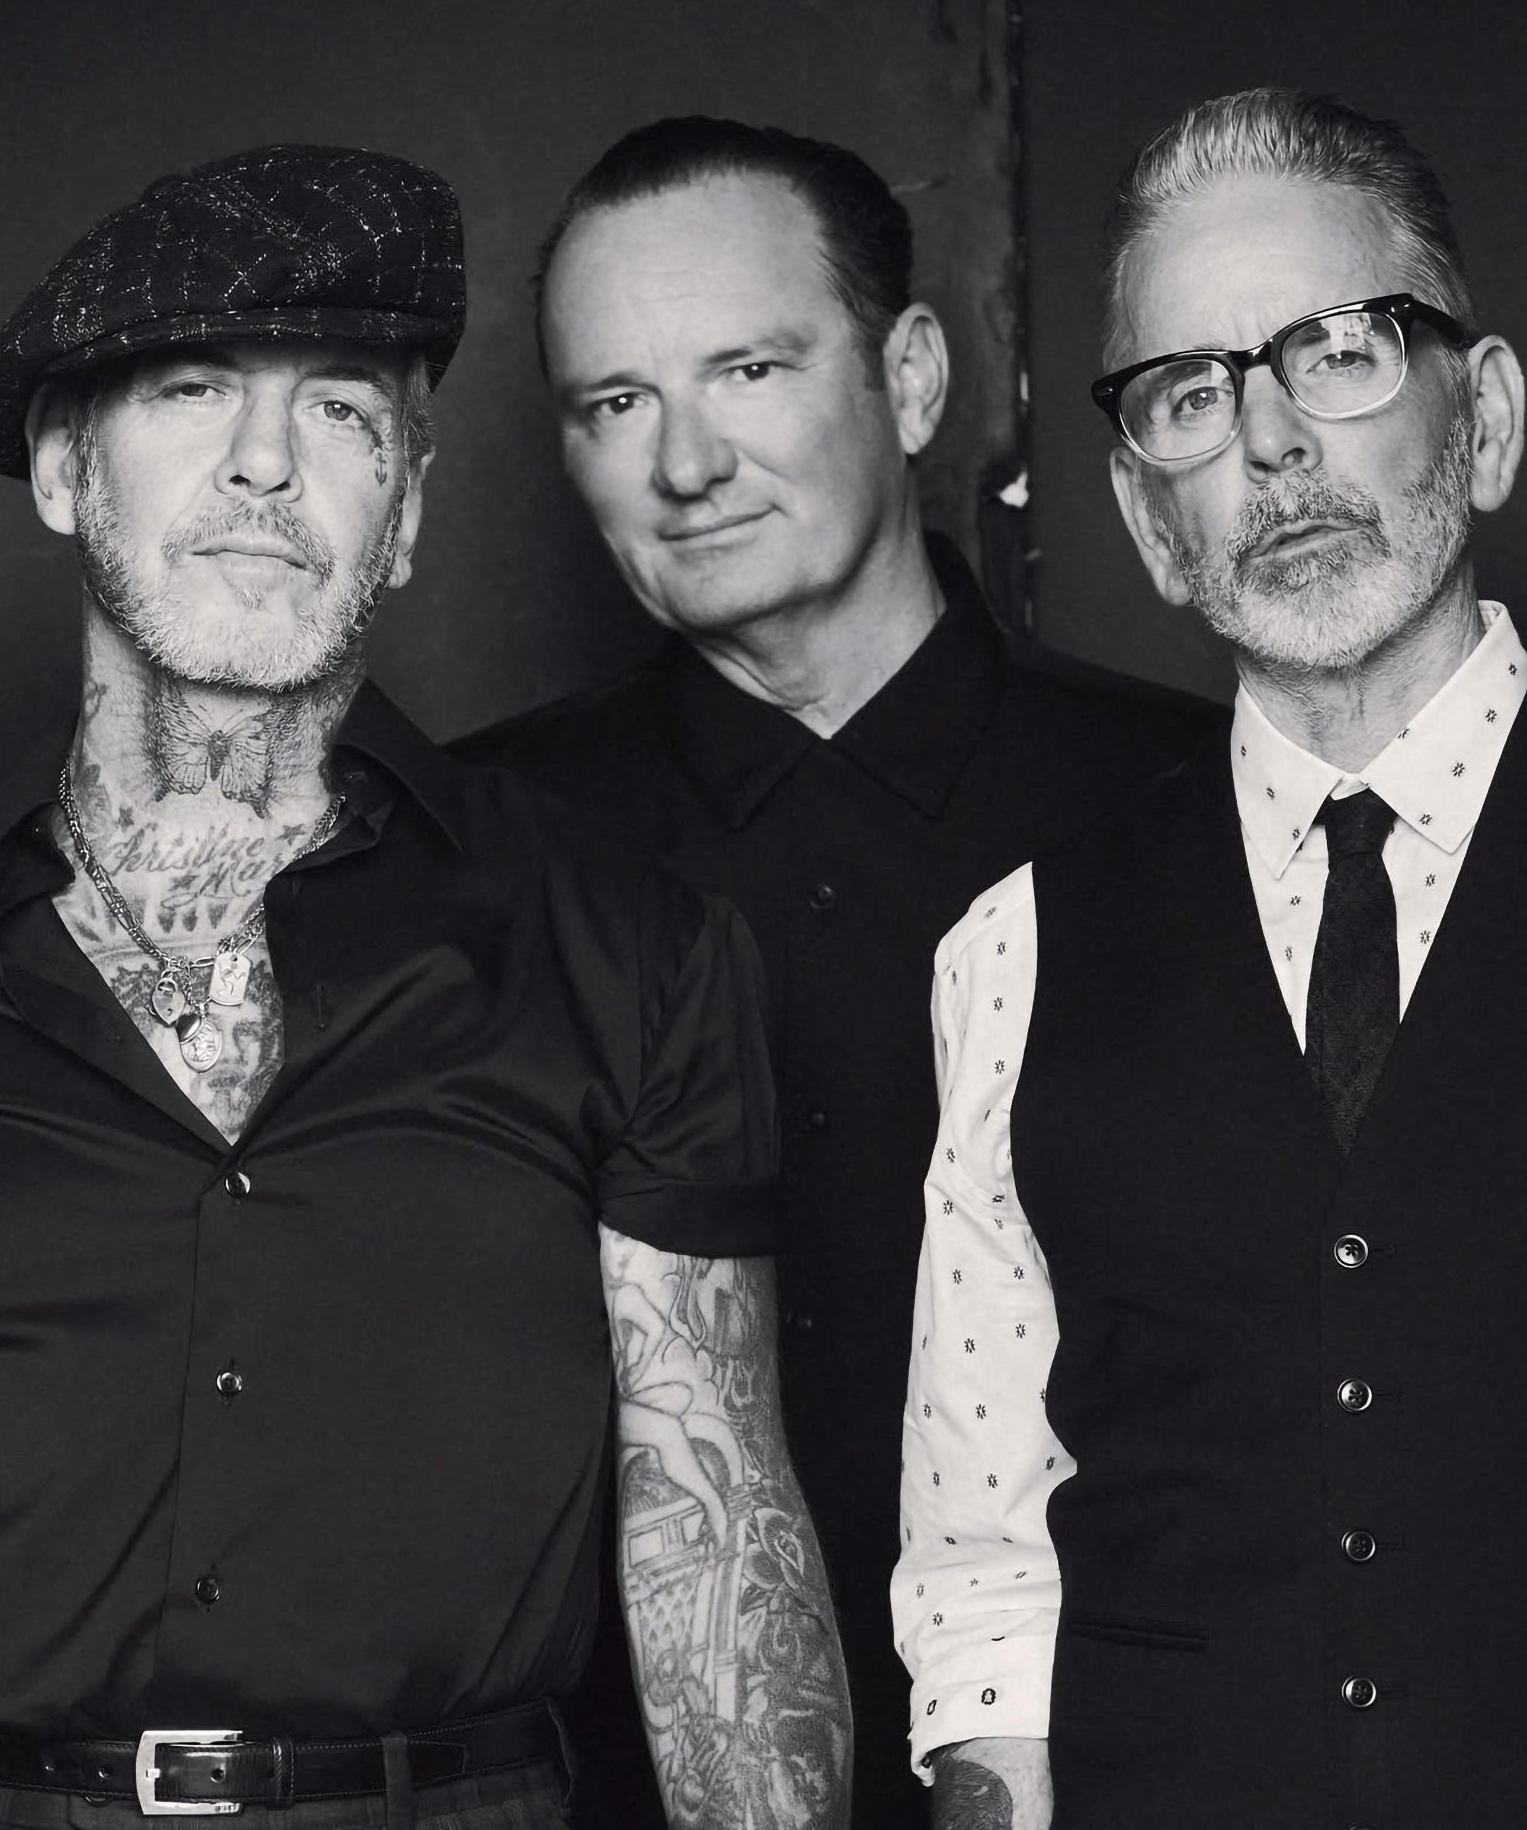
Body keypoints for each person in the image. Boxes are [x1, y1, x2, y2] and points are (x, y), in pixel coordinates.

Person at [0, 144, 854, 1830]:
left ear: (407, 513)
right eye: (189, 391)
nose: (263, 463)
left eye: (338, 412)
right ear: (62, 469)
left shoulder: (626, 946)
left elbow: (714, 1532)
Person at [897, 87, 1527, 1829]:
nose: (1270, 441)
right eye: (1191, 396)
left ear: (1482, 419)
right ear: (1147, 520)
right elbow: (984, 1577)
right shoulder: (1017, 948)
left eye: (1336, 350)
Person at [460, 118, 1213, 1827]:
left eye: (748, 367)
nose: (686, 461)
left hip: (1110, 1765)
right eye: (615, 401)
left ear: (911, 376)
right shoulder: (470, 850)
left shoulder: (1191, 806)